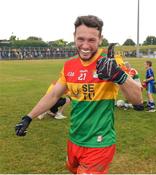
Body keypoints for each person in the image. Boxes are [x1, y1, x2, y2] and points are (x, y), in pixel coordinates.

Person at [15, 15, 143, 174]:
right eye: (81, 39)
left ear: (100, 39)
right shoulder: (69, 65)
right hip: (74, 139)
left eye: (91, 40)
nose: (85, 45)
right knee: (72, 169)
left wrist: (118, 75)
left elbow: (137, 99)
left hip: (99, 143)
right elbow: (54, 95)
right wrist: (28, 117)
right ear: (74, 37)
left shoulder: (111, 62)